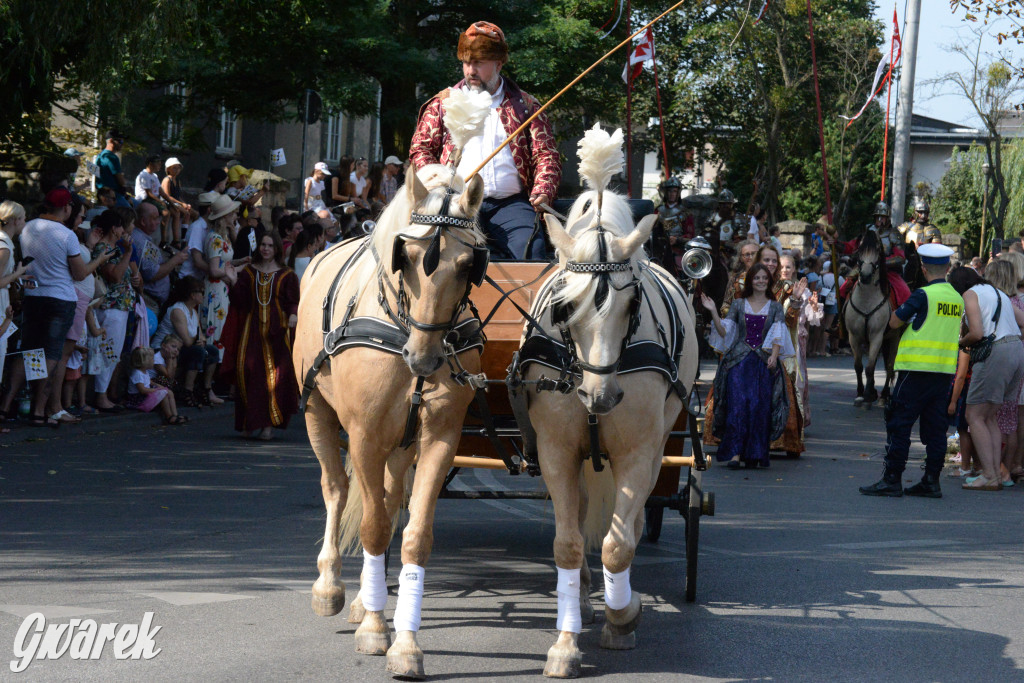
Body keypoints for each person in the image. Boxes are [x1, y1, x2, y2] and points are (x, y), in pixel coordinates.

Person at [409, 20, 561, 260]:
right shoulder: (442, 104)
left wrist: (543, 189)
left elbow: (547, 155)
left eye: (478, 63)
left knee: (532, 250)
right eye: (466, 63)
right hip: (455, 203)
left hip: (510, 205)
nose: (470, 71)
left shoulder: (526, 106)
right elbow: (421, 149)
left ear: (498, 64)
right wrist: (437, 187)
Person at [860, 244, 964, 498]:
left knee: (899, 424)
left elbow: (895, 321)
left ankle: (892, 479)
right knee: (935, 429)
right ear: (948, 269)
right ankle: (931, 480)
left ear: (924, 269)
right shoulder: (957, 298)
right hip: (943, 372)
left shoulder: (922, 295)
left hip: (914, 370)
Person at [0, 189, 111, 426]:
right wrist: (99, 261)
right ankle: (40, 411)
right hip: (60, 299)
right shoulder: (66, 235)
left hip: (34, 294)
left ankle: (6, 405)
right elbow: (79, 273)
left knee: (29, 351)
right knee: (51, 354)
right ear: (66, 208)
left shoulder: (29, 227)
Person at [702, 263, 793, 468]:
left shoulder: (776, 306)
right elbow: (725, 332)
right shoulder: (739, 304)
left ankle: (755, 453)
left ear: (769, 281)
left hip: (763, 362)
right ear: (750, 281)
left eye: (764, 278)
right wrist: (713, 311)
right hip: (739, 362)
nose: (760, 281)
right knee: (738, 405)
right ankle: (734, 453)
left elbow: (778, 332)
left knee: (759, 407)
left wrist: (774, 356)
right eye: (756, 278)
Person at [222, 231, 299, 440]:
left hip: (278, 331)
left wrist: (293, 314)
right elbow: (240, 301)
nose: (265, 249)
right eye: (263, 245)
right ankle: (250, 423)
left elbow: (292, 300)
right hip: (252, 330)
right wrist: (232, 281)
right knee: (247, 373)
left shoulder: (287, 274)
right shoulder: (249, 272)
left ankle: (267, 426)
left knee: (274, 378)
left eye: (270, 245)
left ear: (276, 249)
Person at [954, 260, 1024, 491]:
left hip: (995, 354)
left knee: (973, 415)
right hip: (1016, 350)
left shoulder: (970, 294)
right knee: (990, 416)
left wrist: (961, 343)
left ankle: (989, 474)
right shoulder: (997, 292)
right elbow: (1022, 321)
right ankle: (993, 473)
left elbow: (976, 333)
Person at [91, 209, 137, 412]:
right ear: (114, 228)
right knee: (108, 352)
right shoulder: (105, 249)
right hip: (111, 307)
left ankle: (104, 393)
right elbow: (115, 276)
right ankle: (100, 396)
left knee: (113, 352)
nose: (123, 230)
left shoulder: (113, 248)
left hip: (120, 307)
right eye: (120, 226)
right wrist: (128, 252)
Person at [152, 277, 222, 407]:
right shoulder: (178, 311)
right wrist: (198, 341)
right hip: (164, 350)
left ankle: (206, 388)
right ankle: (187, 390)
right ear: (192, 295)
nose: (203, 295)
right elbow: (188, 341)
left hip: (180, 348)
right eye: (201, 292)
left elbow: (201, 337)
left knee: (212, 350)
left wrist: (201, 341)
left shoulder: (193, 312)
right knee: (197, 351)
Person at [202, 195, 241, 364]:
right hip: (216, 289)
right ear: (225, 216)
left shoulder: (221, 237)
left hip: (222, 288)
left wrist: (239, 262)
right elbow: (214, 269)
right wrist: (232, 272)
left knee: (221, 326)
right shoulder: (215, 239)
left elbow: (223, 262)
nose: (235, 217)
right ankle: (212, 367)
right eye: (232, 214)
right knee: (216, 327)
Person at [133, 202, 189, 313]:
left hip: (153, 302)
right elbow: (153, 274)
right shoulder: (142, 242)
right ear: (143, 221)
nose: (158, 222)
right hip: (150, 303)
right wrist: (175, 260)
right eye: (154, 218)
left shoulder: (141, 238)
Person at [0, 201, 29, 395]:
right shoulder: (5, 248)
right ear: (15, 220)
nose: (25, 222)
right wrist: (18, 273)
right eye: (24, 218)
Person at [124, 346, 185, 424]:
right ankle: (169, 416)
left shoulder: (144, 371)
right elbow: (142, 390)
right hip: (139, 399)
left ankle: (175, 414)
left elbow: (149, 382)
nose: (154, 361)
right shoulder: (137, 374)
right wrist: (156, 390)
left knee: (169, 392)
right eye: (152, 359)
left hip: (145, 396)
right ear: (144, 361)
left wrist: (159, 386)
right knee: (163, 395)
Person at [179, 191, 219, 281]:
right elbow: (198, 261)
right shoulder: (197, 227)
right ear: (210, 210)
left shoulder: (209, 227)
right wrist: (218, 272)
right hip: (191, 280)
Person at [95, 129, 132, 206]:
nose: (122, 144)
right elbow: (121, 182)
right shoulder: (112, 157)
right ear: (111, 141)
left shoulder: (99, 156)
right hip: (113, 196)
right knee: (131, 211)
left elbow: (97, 180)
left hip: (101, 196)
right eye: (120, 141)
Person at [160, 157, 191, 246]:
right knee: (179, 213)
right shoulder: (167, 180)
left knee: (190, 212)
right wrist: (181, 204)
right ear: (168, 169)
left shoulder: (177, 181)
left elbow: (178, 196)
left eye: (178, 168)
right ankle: (176, 240)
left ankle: (183, 237)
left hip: (175, 202)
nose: (177, 170)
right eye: (174, 168)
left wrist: (185, 203)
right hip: (167, 202)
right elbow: (167, 196)